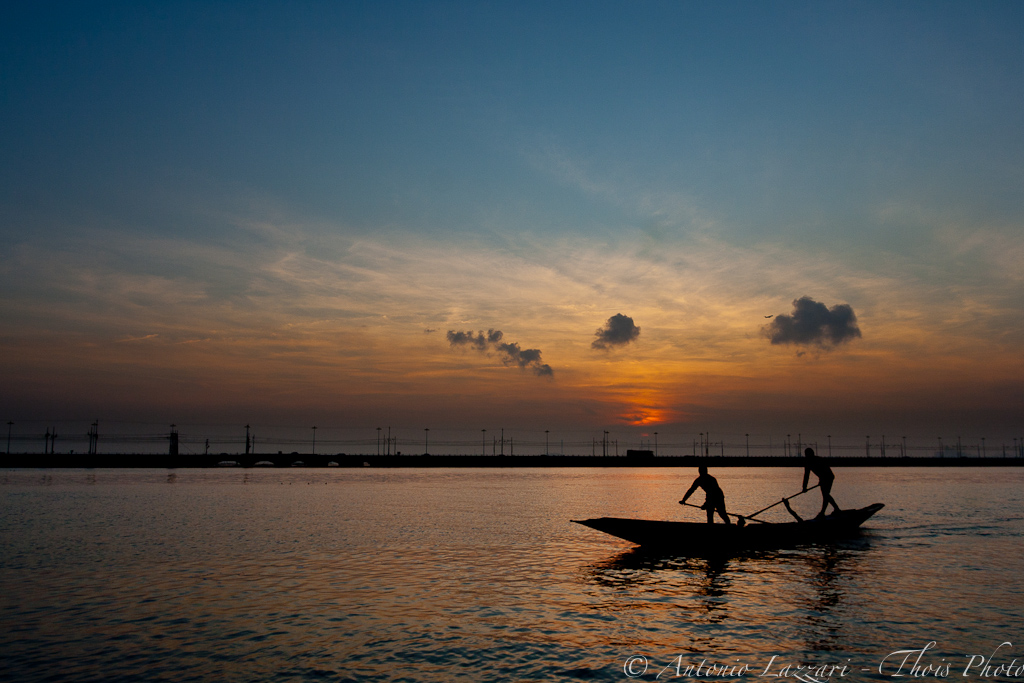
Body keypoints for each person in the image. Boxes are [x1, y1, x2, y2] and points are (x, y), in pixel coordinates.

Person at [802, 447, 841, 518]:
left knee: (825, 494)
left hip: (829, 477)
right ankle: (831, 510)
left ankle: (830, 510)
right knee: (826, 495)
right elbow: (806, 475)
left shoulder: (819, 460)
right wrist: (804, 487)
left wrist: (822, 480)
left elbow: (825, 470)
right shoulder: (807, 463)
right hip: (823, 478)